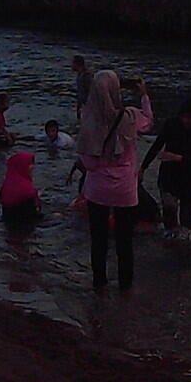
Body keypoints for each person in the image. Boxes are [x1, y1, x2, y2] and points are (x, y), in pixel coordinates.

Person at [76, 71, 153, 292]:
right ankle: (125, 287)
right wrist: (144, 95)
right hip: (125, 190)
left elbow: (88, 163)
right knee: (124, 241)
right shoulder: (129, 116)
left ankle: (99, 284)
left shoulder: (89, 119)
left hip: (97, 188)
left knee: (98, 239)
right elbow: (148, 123)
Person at [140, 98, 191, 240]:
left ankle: (184, 248)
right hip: (169, 176)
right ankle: (169, 243)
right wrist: (143, 167)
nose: (187, 121)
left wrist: (178, 158)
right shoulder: (171, 124)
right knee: (169, 212)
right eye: (184, 117)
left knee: (186, 224)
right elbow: (157, 146)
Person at [0, 151, 41, 222]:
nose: (32, 167)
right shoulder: (26, 191)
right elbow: (31, 218)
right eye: (29, 164)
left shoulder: (6, 186)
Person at [72, 55, 92, 120]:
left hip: (88, 107)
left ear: (77, 64)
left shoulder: (86, 76)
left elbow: (90, 92)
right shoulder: (79, 75)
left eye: (73, 63)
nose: (72, 65)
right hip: (84, 107)